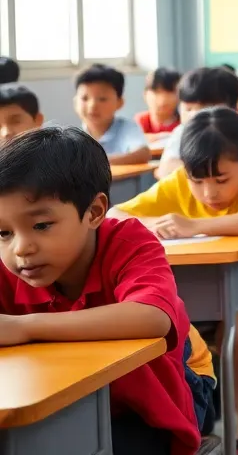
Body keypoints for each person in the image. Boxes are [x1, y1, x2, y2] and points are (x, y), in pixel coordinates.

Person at [0, 127, 199, 454]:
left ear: (94, 212)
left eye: (41, 226)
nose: (20, 248)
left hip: (149, 405)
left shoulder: (128, 243)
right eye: (3, 232)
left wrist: (23, 327)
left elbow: (152, 318)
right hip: (57, 406)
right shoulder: (11, 266)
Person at [112, 108, 238, 455]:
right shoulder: (179, 181)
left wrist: (197, 225)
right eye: (198, 181)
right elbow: (117, 213)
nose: (209, 192)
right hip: (191, 293)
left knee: (236, 340)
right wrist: (150, 226)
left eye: (221, 180)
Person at [156, 67, 238, 178]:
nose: (194, 116)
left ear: (233, 109)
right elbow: (166, 169)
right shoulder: (181, 133)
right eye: (188, 109)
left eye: (206, 109)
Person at [75, 64, 150, 165]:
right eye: (85, 98)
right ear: (75, 102)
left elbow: (143, 154)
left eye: (102, 99)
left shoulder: (126, 128)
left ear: (119, 102)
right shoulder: (74, 136)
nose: (92, 105)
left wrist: (95, 164)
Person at [136, 67, 182, 135]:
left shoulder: (184, 124)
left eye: (169, 92)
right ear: (145, 94)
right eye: (157, 92)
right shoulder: (140, 122)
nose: (163, 99)